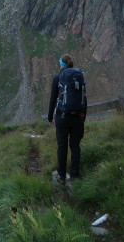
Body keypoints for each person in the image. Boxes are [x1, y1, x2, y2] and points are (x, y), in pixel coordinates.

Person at [47, 53, 86, 185]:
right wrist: (82, 116)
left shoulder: (57, 79)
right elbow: (84, 98)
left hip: (62, 117)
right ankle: (75, 175)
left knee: (62, 146)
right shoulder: (79, 77)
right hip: (78, 118)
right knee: (75, 146)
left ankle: (61, 175)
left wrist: (49, 117)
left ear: (61, 65)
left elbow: (53, 100)